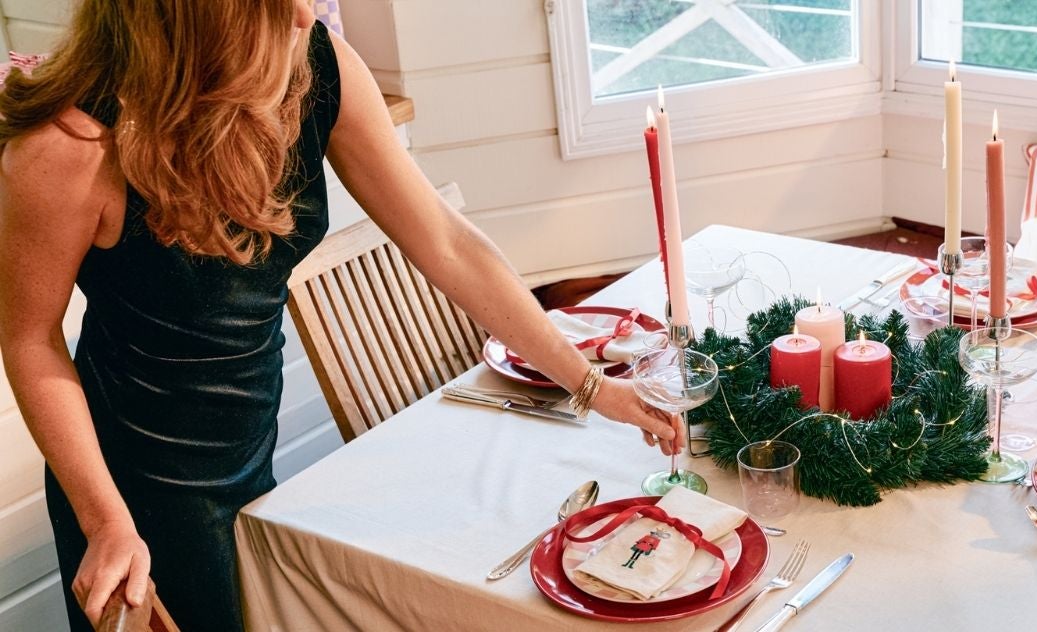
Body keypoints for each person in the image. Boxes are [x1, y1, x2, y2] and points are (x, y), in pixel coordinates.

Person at [0, 2, 681, 629]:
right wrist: (104, 520)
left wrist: (592, 387)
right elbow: (29, 339)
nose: (303, 10)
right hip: (130, 489)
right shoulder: (72, 146)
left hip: (245, 455)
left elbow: (449, 246)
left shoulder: (315, 64)